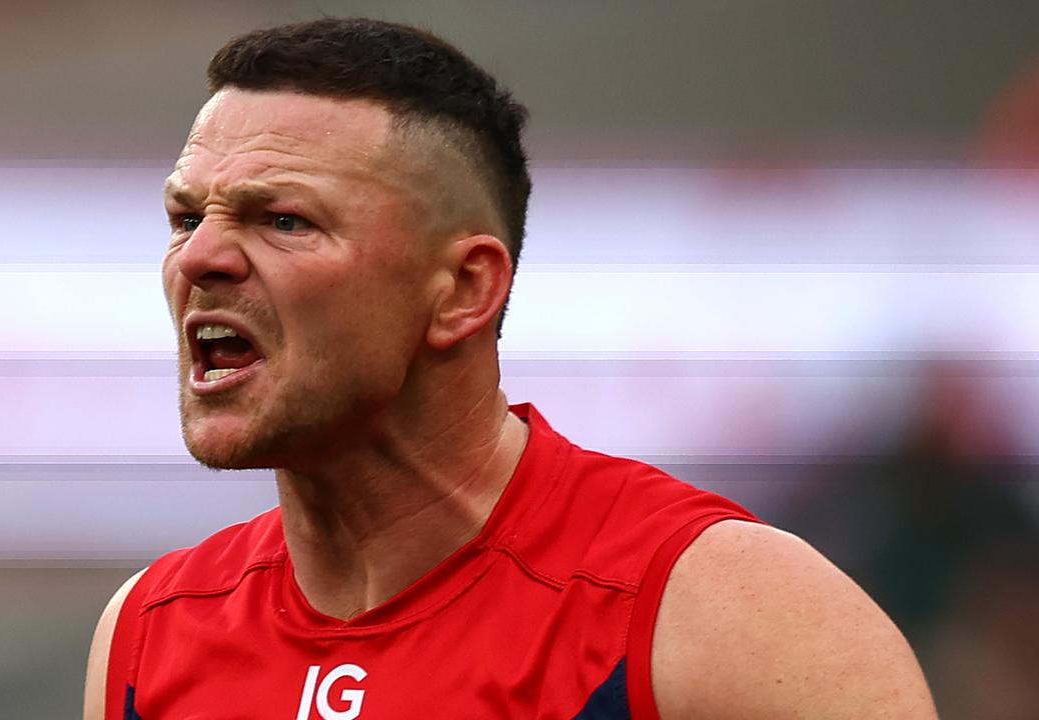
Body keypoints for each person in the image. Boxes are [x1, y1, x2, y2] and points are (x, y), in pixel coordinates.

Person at [84, 17, 936, 719]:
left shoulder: (720, 612)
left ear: (463, 289)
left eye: (284, 220)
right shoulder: (148, 637)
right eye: (184, 216)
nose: (200, 259)